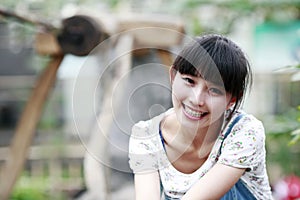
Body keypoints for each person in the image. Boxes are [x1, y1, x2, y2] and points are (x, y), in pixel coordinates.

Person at [128, 34, 273, 199]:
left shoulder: (244, 132)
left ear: (232, 100)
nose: (197, 100)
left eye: (214, 90)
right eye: (189, 81)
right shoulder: (146, 136)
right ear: (173, 77)